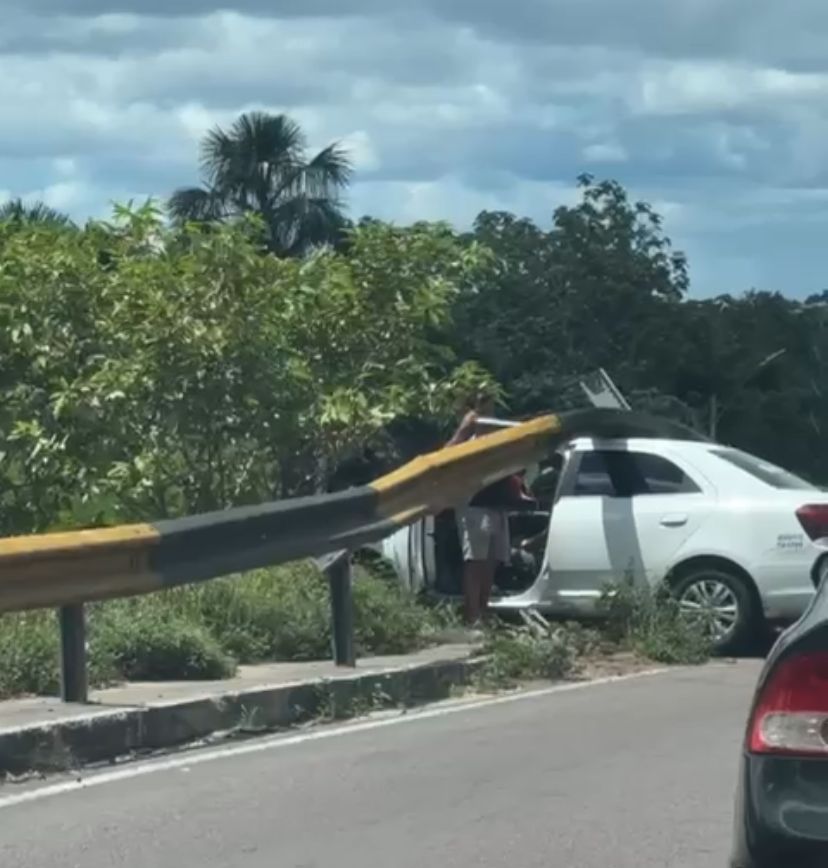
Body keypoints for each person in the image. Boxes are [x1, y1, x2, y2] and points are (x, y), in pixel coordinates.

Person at [447, 389, 513, 626]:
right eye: (481, 404)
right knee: (476, 561)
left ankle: (483, 612)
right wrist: (464, 431)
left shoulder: (498, 437)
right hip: (474, 505)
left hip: (497, 504)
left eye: (489, 404)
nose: (487, 410)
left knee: (491, 562)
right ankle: (472, 615)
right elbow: (444, 458)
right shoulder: (467, 441)